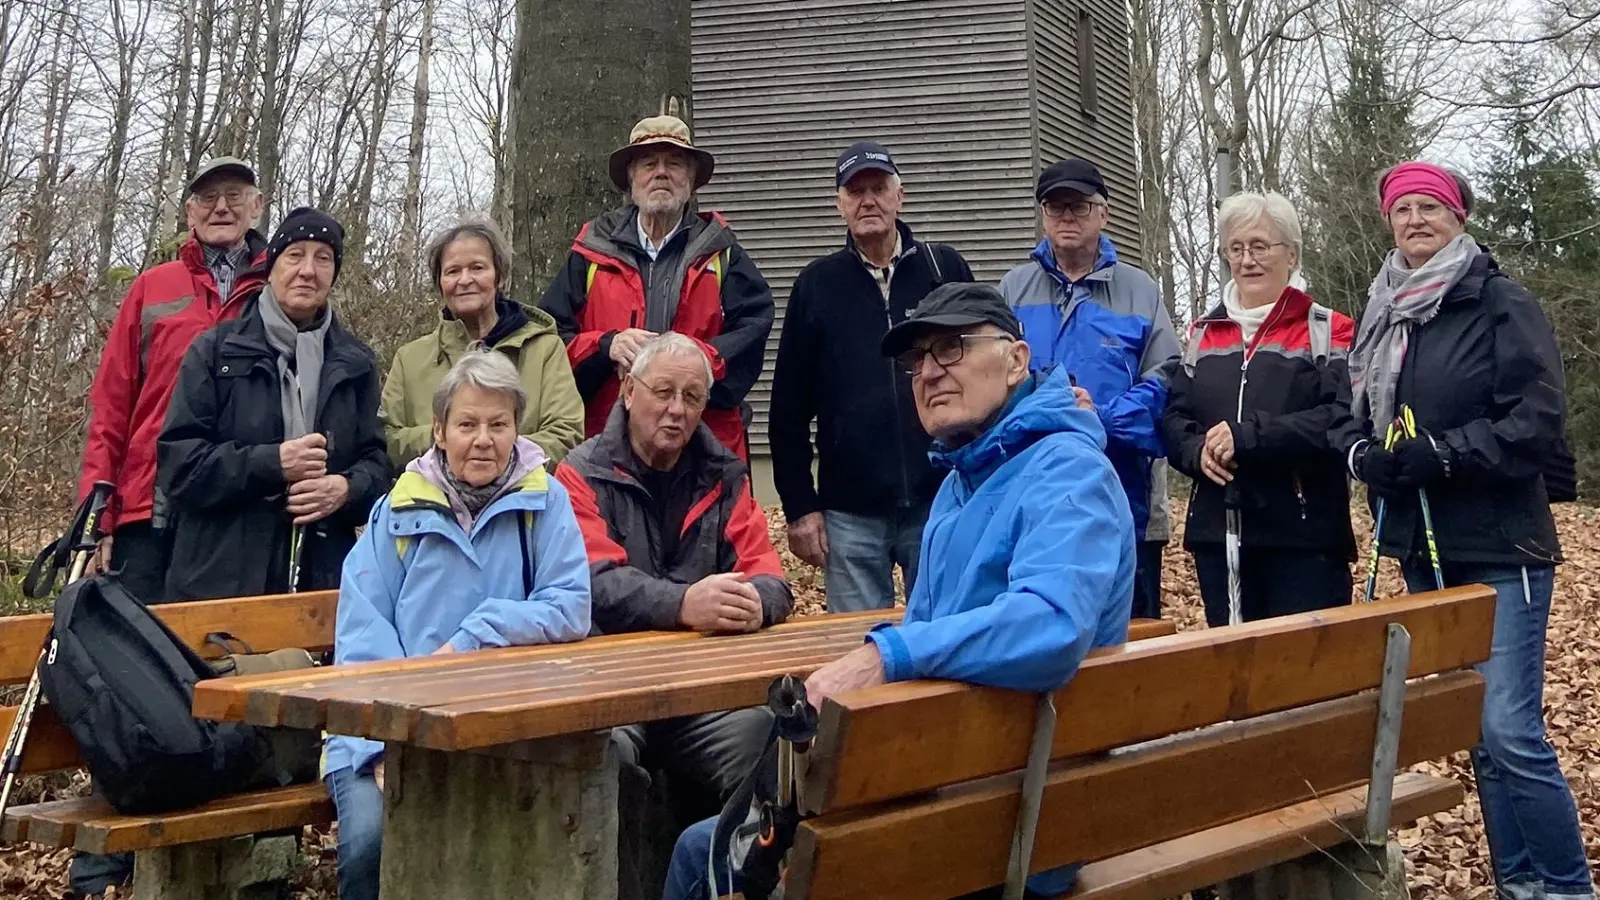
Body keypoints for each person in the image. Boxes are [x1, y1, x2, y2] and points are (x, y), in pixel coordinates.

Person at [662, 283, 1136, 900]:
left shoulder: (1067, 472)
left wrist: (886, 655)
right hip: (971, 794)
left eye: (952, 348)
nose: (930, 372)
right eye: (919, 360)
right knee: (731, 835)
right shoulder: (963, 483)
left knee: (703, 854)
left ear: (1018, 360)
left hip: (1016, 831)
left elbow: (1052, 625)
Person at [1348, 162, 1595, 900]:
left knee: (1511, 732)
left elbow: (1536, 422)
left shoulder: (1499, 303)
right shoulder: (1383, 312)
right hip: (1424, 549)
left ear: (1458, 217)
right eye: (1403, 209)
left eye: (1431, 207)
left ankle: (1566, 885)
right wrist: (1369, 457)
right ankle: (1518, 885)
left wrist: (1446, 455)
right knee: (1478, 737)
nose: (1415, 219)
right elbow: (1352, 415)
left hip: (1502, 545)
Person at [325, 351, 592, 900]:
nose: (484, 440)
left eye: (499, 425)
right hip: (383, 730)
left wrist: (481, 629)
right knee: (371, 843)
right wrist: (382, 746)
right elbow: (361, 634)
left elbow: (570, 607)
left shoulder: (545, 502)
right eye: (467, 424)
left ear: (517, 429)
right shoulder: (396, 511)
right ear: (440, 431)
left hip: (507, 726)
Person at [553, 333, 792, 900]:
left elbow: (770, 574)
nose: (677, 409)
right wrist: (684, 604)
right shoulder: (579, 472)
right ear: (629, 392)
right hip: (609, 688)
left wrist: (756, 601)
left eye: (691, 396)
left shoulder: (725, 473)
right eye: (662, 392)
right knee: (603, 754)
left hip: (701, 696)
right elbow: (591, 581)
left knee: (766, 740)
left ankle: (729, 888)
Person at [768, 140, 974, 612]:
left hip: (940, 496)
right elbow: (788, 410)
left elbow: (982, 376)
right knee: (857, 653)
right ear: (840, 205)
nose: (868, 201)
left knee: (948, 635)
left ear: (899, 196)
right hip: (849, 511)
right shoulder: (816, 287)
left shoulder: (945, 271)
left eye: (879, 188)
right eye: (855, 191)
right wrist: (800, 506)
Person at [158, 207, 391, 601]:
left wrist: (345, 489)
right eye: (295, 255)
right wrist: (273, 463)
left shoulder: (356, 362)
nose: (308, 270)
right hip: (218, 580)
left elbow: (377, 464)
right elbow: (179, 467)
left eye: (323, 258)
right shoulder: (216, 351)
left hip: (321, 584)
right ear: (271, 267)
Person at [77, 157, 267, 608]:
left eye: (234, 196)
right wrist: (96, 518)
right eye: (208, 197)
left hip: (239, 509)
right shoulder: (152, 288)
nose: (221, 207)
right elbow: (111, 406)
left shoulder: (277, 291)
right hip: (144, 507)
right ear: (190, 212)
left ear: (256, 206)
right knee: (134, 655)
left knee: (216, 655)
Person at [1162, 191, 1358, 625]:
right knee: (1235, 684)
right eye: (1236, 248)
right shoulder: (1202, 333)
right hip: (1218, 533)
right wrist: (1196, 451)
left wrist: (1249, 436)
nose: (1247, 259)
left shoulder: (1329, 329)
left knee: (1305, 683)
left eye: (1260, 246)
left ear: (1292, 254)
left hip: (1303, 538)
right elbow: (1174, 418)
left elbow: (1339, 420)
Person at [998, 158, 1180, 622]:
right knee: (1036, 632)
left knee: (1128, 643)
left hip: (1122, 500)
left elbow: (1168, 381)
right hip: (1028, 503)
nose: (1066, 218)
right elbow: (991, 385)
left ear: (1104, 213)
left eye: (1078, 207)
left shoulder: (1141, 292)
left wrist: (1099, 417)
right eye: (1055, 208)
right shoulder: (1011, 292)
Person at [538, 114, 774, 460]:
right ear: (631, 179)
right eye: (649, 163)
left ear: (691, 180)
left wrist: (694, 360)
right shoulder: (590, 252)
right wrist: (607, 345)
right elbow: (549, 339)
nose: (661, 173)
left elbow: (753, 327)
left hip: (704, 448)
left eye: (675, 163)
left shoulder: (721, 253)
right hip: (608, 445)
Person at [380, 216, 585, 469]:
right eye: (453, 271)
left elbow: (566, 433)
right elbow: (387, 439)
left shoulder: (544, 349)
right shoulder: (409, 358)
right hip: (431, 502)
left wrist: (493, 460)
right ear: (439, 283)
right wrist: (450, 440)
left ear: (499, 276)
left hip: (523, 500)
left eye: (477, 268)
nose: (465, 280)